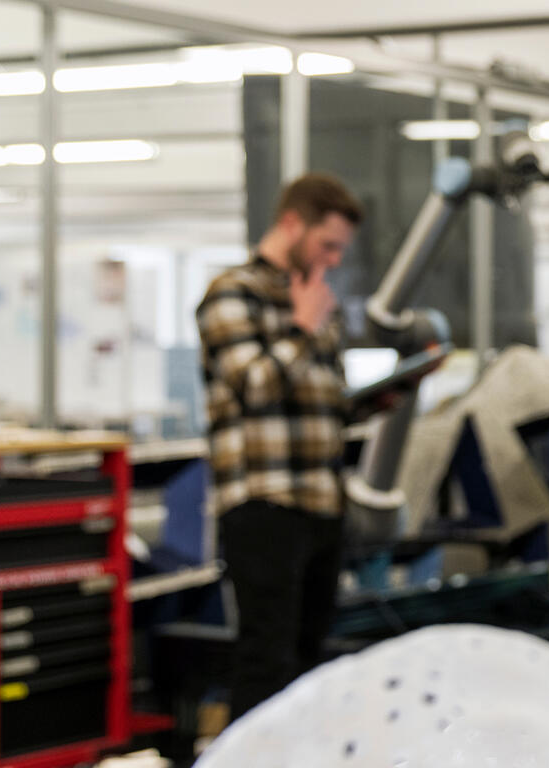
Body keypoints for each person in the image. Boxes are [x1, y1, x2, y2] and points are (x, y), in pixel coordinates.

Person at [197, 173, 361, 720]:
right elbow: (255, 387)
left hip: (323, 501)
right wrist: (303, 327)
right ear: (292, 224)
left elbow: (326, 400)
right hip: (264, 504)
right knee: (266, 663)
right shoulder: (232, 293)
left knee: (309, 668)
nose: (333, 260)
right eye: (327, 245)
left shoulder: (314, 298)